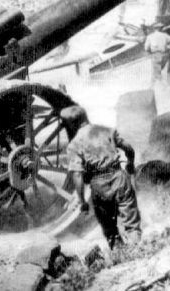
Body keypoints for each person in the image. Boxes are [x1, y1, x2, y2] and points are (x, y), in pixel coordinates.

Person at [62, 105, 141, 249]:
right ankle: (138, 252)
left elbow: (77, 174)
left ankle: (119, 254)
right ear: (86, 117)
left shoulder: (74, 144)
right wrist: (130, 163)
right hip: (119, 177)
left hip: (98, 185)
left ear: (72, 124)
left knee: (110, 230)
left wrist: (82, 201)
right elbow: (129, 148)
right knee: (132, 224)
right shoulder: (107, 130)